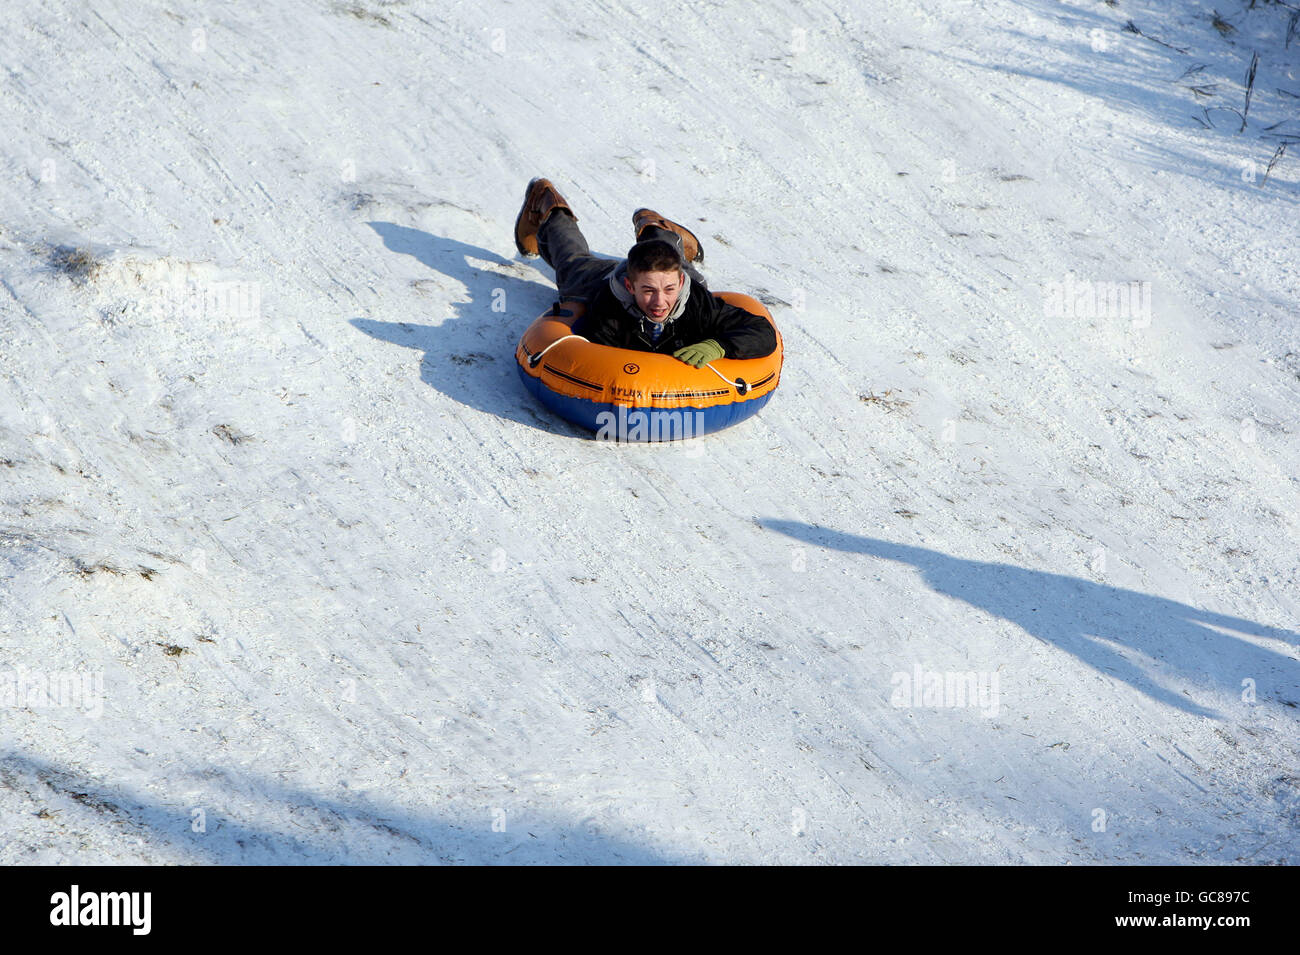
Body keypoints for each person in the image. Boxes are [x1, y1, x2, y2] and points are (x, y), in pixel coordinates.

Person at [513, 178, 777, 367]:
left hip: (671, 271)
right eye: (648, 291)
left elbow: (762, 332)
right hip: (600, 280)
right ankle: (549, 205)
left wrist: (718, 346)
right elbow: (593, 361)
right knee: (572, 265)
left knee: (671, 263)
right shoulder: (609, 309)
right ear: (631, 287)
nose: (660, 302)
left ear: (680, 283)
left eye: (669, 290)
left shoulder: (695, 300)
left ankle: (654, 227)